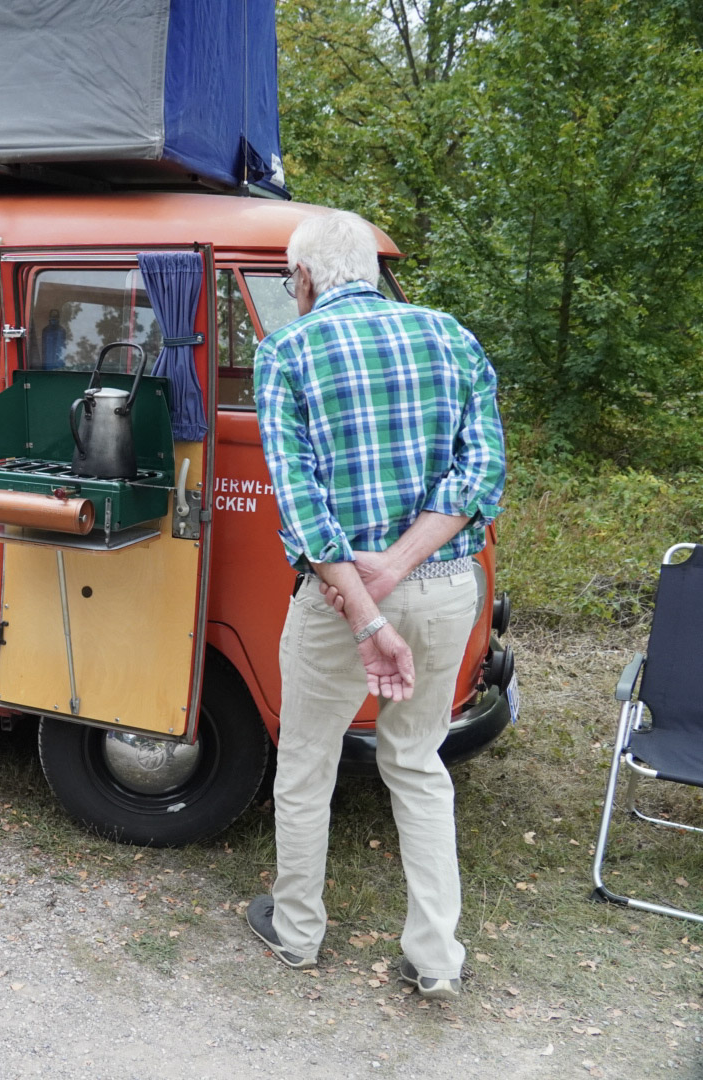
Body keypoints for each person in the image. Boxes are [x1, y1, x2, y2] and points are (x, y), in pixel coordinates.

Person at [244, 211, 505, 1001]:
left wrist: (366, 607)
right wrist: (400, 563)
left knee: (306, 763)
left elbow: (303, 507)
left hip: (339, 600)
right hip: (447, 585)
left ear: (304, 279)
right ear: (367, 269)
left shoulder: (286, 350)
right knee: (418, 763)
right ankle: (435, 957)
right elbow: (481, 474)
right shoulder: (451, 336)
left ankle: (297, 933)